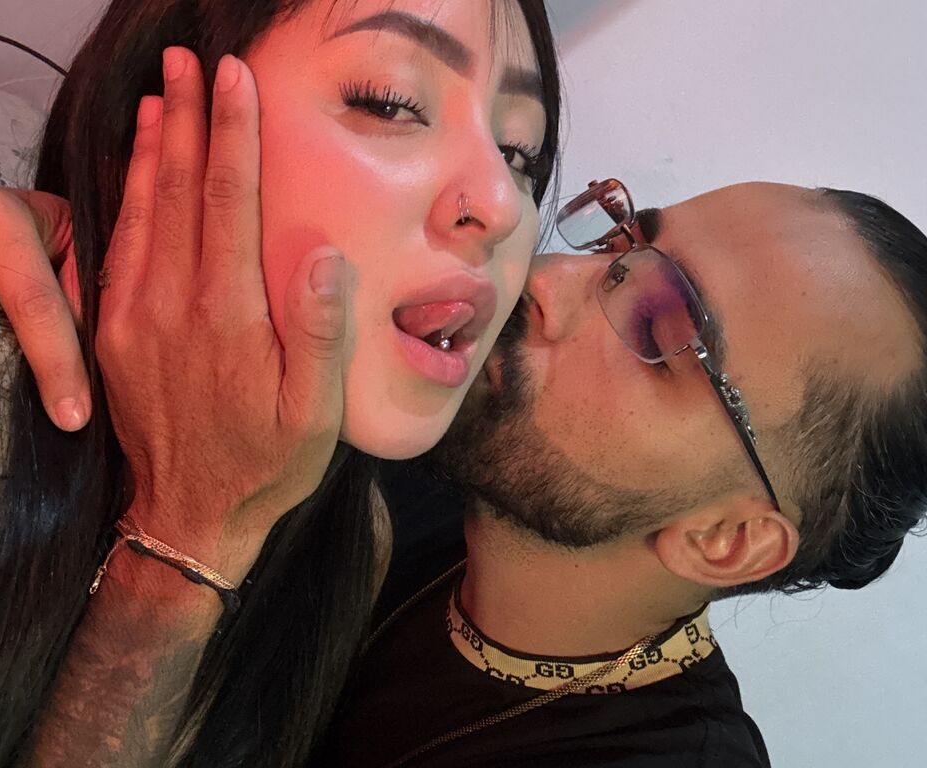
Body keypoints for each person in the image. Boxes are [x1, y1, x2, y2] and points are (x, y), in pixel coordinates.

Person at [0, 0, 561, 765]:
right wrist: (186, 540)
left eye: (520, 151)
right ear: (155, 120)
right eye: (390, 102)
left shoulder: (357, 533)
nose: (503, 203)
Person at [319, 179, 927, 765]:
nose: (547, 278)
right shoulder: (421, 445)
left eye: (656, 329)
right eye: (620, 245)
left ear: (726, 539)